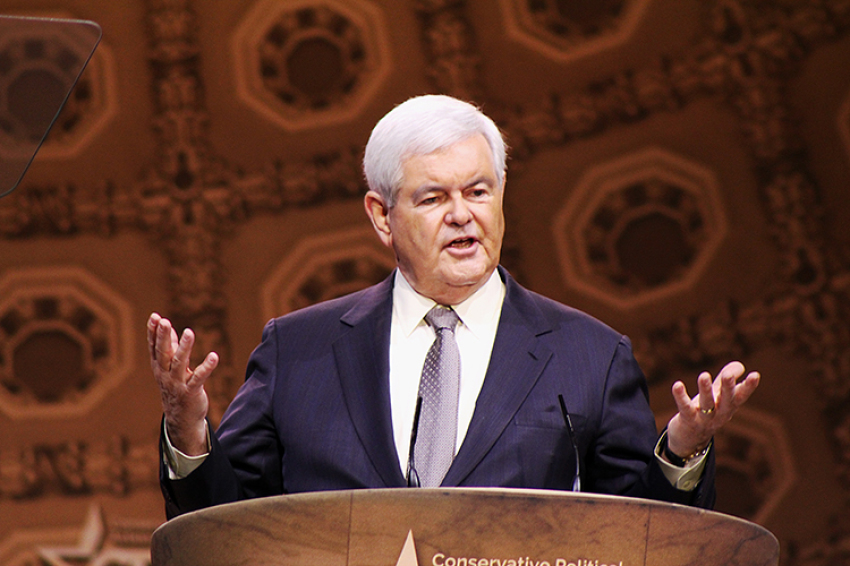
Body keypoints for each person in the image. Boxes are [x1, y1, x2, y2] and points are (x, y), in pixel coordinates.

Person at [148, 94, 760, 519]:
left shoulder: (590, 355)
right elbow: (224, 530)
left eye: (478, 190)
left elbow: (639, 535)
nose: (462, 214)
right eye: (434, 197)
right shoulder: (298, 350)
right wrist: (187, 428)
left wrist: (680, 449)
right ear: (381, 217)